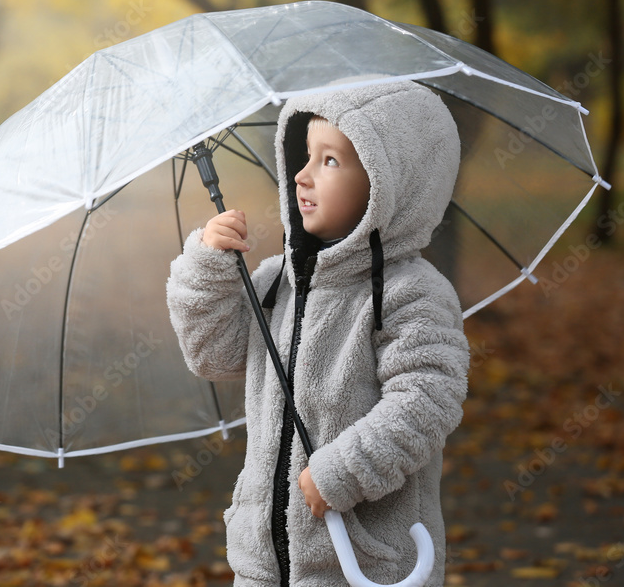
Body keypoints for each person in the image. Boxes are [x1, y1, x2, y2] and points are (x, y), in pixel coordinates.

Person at [166, 78, 470, 586]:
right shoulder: (274, 282)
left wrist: (342, 473)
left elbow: (427, 398)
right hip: (263, 565)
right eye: (305, 157)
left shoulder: (410, 293)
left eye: (330, 161)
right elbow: (213, 357)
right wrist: (207, 269)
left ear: (387, 180)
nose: (302, 176)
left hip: (365, 564)